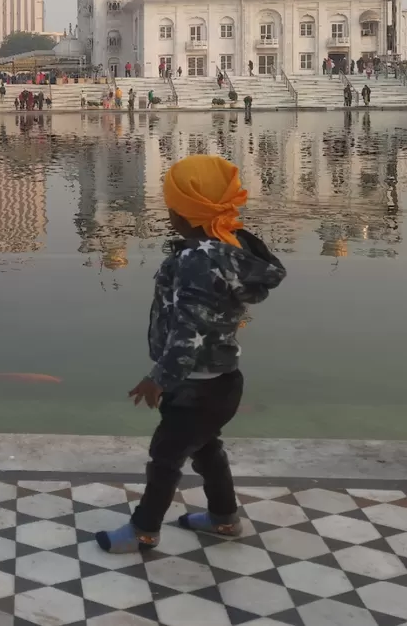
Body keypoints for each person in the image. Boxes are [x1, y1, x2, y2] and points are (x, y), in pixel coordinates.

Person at [94, 155, 286, 552]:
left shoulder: (198, 260)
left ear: (185, 213)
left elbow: (190, 328)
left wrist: (159, 377)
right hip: (222, 379)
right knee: (206, 448)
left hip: (195, 386)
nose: (169, 216)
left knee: (164, 458)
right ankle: (224, 519)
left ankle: (144, 530)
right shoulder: (228, 250)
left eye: (172, 208)